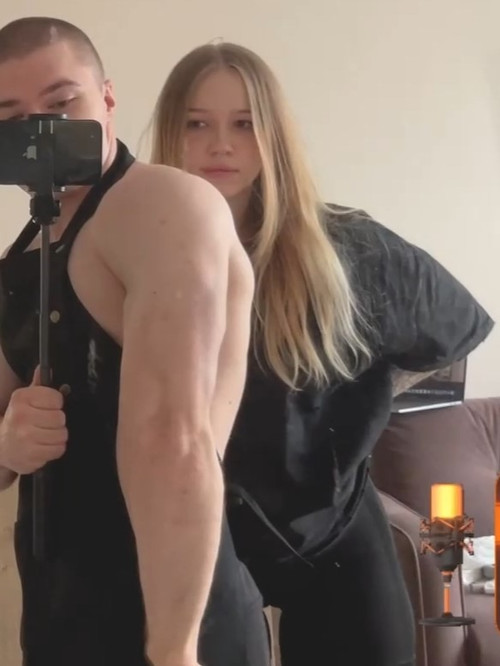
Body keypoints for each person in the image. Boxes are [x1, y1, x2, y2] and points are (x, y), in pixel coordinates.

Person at [149, 42, 495, 666]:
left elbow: (455, 324)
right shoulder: (138, 251)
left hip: (331, 525)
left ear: (274, 134)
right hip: (201, 531)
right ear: (172, 131)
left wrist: (361, 396)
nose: (220, 145)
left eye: (244, 123)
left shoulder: (344, 247)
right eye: (197, 124)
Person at [0, 19, 271, 666]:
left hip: (170, 622)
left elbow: (172, 440)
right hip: (60, 616)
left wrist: (174, 652)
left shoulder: (162, 206)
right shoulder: (24, 251)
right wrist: (8, 441)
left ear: (107, 99)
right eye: (12, 118)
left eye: (61, 103)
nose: (41, 130)